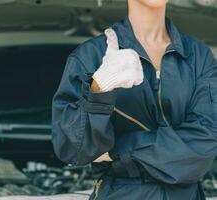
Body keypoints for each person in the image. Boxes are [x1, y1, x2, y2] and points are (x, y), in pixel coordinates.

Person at [51, 0, 217, 199]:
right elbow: (73, 151)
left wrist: (119, 151)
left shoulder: (198, 56)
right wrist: (98, 90)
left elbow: (207, 140)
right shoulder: (89, 56)